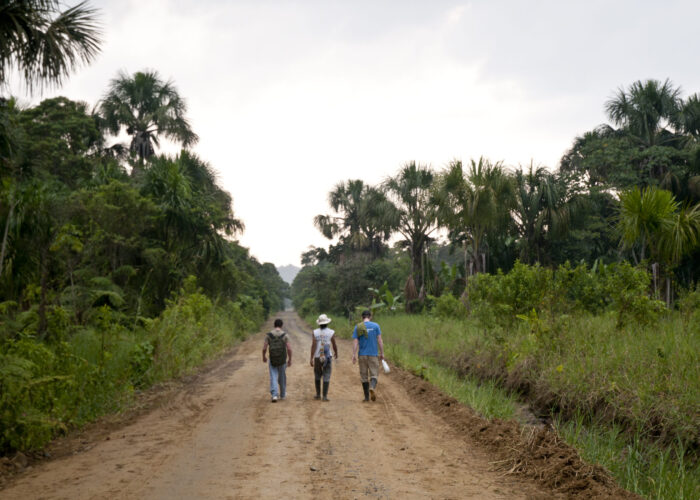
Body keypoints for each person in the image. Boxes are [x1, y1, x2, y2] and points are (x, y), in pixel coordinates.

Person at [352, 309, 384, 402]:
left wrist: (354, 354)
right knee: (374, 374)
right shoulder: (376, 326)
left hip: (362, 355)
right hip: (373, 354)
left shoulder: (358, 326)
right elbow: (380, 340)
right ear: (370, 316)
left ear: (362, 317)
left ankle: (366, 398)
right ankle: (372, 387)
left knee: (364, 376)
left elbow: (355, 341)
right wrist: (382, 353)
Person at [262, 318, 292, 402]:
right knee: (282, 376)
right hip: (282, 359)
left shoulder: (269, 335)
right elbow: (289, 348)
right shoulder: (285, 335)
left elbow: (264, 348)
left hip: (273, 359)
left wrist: (264, 356)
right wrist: (289, 359)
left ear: (274, 325)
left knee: (273, 376)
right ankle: (282, 395)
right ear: (281, 325)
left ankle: (274, 395)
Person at [310, 313, 338, 402]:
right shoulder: (331, 332)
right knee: (327, 374)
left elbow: (313, 345)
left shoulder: (315, 332)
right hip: (327, 356)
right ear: (327, 323)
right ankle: (324, 396)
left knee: (317, 374)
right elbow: (334, 344)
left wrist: (311, 357)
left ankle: (318, 394)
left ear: (319, 323)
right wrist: (336, 352)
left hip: (318, 356)